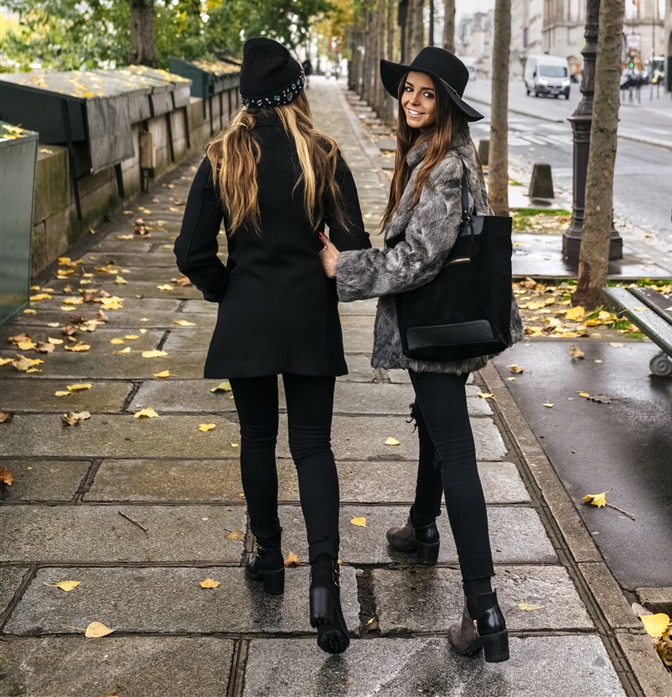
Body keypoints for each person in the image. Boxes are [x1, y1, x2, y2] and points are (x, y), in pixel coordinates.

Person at [319, 46, 523, 663]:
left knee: (457, 449)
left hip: (440, 324)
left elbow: (418, 260)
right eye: (408, 89)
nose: (411, 100)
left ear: (447, 107)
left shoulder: (445, 169)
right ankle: (422, 525)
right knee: (436, 427)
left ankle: (483, 608)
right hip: (440, 323)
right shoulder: (427, 157)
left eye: (426, 94)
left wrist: (342, 267)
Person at [174, 38, 370, 655]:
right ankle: (325, 588)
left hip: (247, 317)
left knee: (257, 439)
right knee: (313, 447)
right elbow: (354, 244)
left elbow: (191, 252)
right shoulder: (323, 155)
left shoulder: (221, 157)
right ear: (296, 94)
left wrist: (227, 290)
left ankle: (265, 554)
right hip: (310, 317)